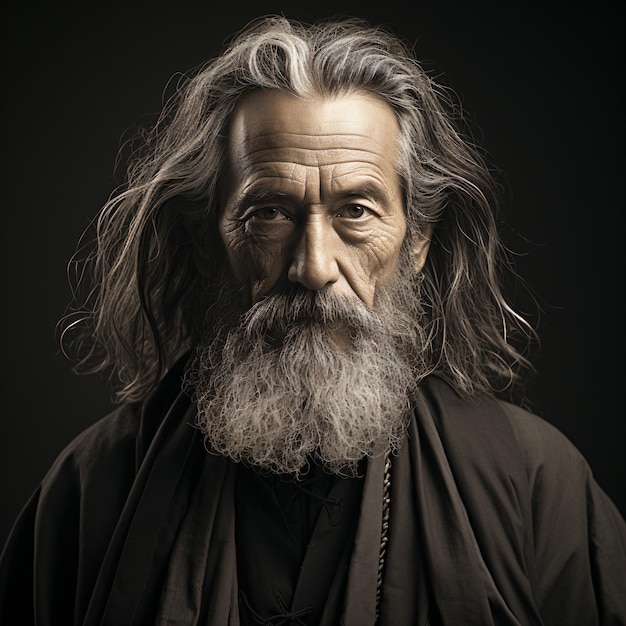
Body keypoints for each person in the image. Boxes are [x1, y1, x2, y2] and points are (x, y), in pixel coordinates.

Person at [1, 14, 624, 626]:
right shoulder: (92, 491)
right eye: (269, 213)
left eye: (356, 210)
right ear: (205, 238)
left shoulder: (536, 483)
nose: (313, 266)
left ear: (417, 242)